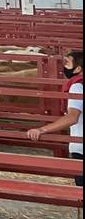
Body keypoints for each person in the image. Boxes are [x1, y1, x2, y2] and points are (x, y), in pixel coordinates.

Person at [26, 50, 83, 186]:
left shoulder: (77, 87)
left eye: (67, 63)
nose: (64, 67)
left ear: (79, 68)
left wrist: (42, 130)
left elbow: (72, 117)